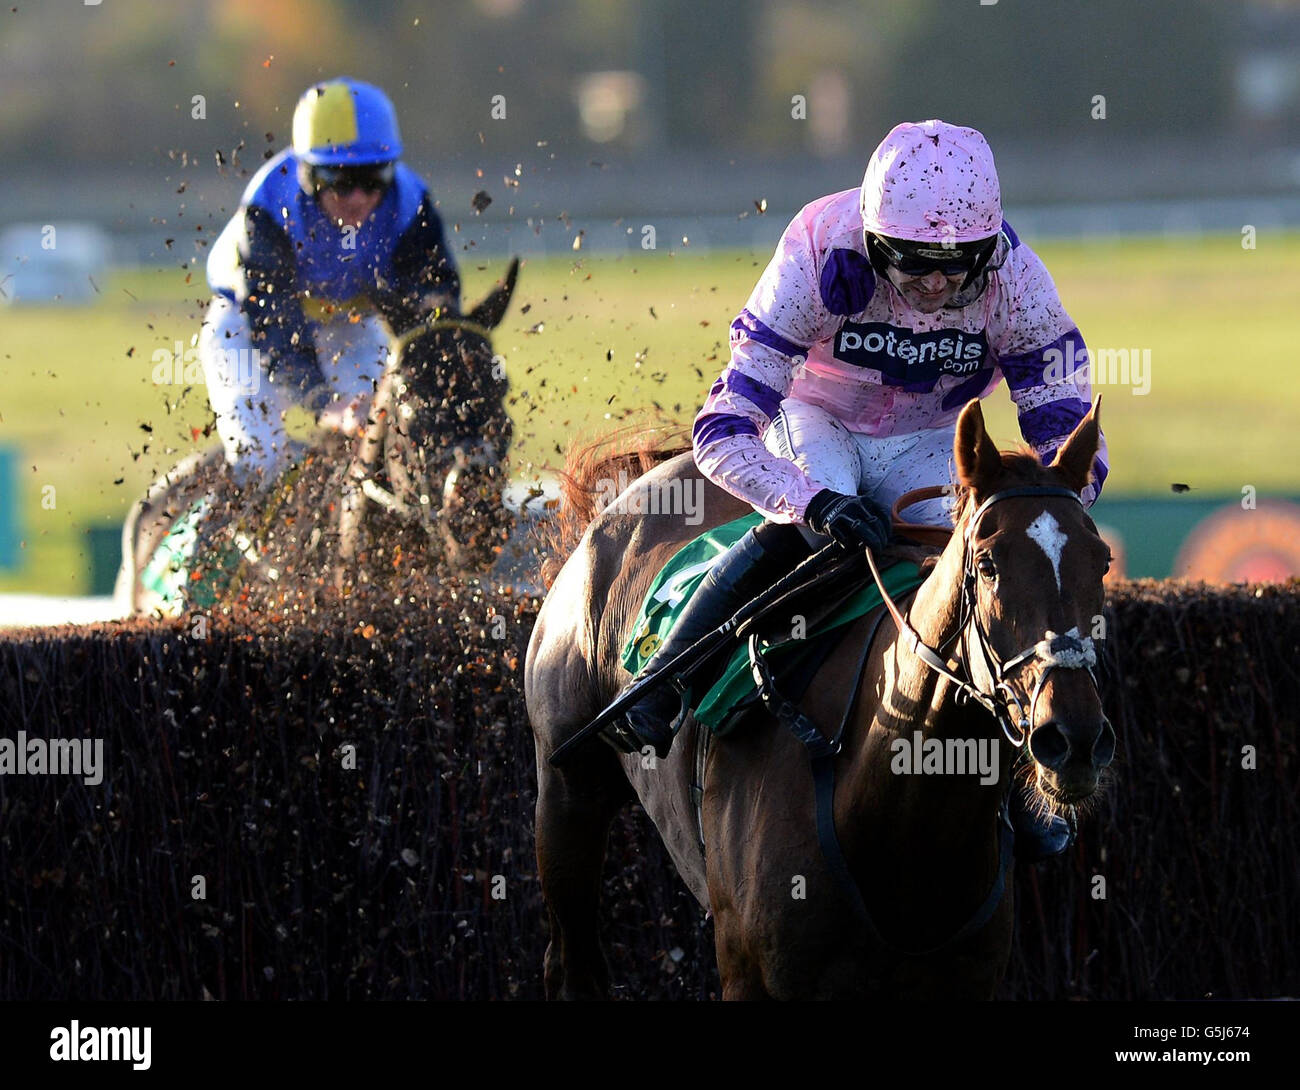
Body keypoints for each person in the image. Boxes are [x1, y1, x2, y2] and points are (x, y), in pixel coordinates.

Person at [603, 120, 1109, 860]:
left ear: (990, 248)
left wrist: (1052, 505)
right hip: (815, 416)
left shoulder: (1018, 280)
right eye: (911, 263)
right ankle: (664, 679)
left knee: (980, 573)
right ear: (873, 242)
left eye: (959, 265)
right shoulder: (817, 251)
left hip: (932, 436)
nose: (936, 284)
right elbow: (721, 429)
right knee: (822, 537)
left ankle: (1010, 780)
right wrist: (810, 503)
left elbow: (1066, 430)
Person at [202, 76, 460, 487]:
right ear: (307, 174)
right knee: (262, 458)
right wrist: (323, 402)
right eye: (339, 180)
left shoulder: (411, 202)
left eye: (373, 179)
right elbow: (275, 324)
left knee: (385, 444)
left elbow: (432, 298)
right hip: (247, 326)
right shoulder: (269, 205)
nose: (358, 197)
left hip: (350, 324)